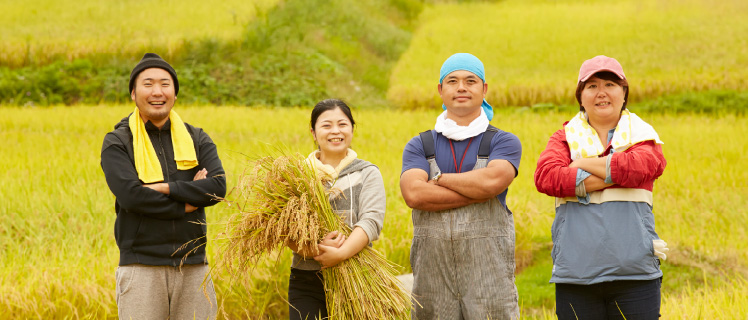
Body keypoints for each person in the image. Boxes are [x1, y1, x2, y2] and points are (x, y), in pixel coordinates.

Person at [534, 55, 668, 319]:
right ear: (580, 96)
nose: (601, 93)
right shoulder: (563, 138)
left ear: (623, 92)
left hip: (636, 275)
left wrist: (581, 163)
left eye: (610, 84)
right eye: (592, 86)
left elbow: (644, 166)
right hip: (576, 275)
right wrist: (617, 173)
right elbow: (546, 176)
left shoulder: (643, 136)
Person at [100, 53, 227, 320]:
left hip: (194, 266)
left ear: (175, 94)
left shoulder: (196, 138)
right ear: (134, 94)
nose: (157, 91)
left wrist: (165, 188)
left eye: (165, 84)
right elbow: (132, 197)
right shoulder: (118, 142)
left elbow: (216, 187)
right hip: (141, 267)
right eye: (148, 84)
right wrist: (189, 199)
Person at [400, 53, 522, 319]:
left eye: (471, 80)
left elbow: (492, 181)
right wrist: (477, 191)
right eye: (452, 81)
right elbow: (414, 193)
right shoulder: (420, 144)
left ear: (484, 89)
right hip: (432, 281)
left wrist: (441, 179)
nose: (462, 87)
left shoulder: (503, 141)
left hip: (489, 283)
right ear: (440, 90)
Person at [286, 99, 386, 320]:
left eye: (342, 124)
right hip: (306, 280)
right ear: (313, 132)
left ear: (352, 128)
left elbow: (371, 222)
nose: (335, 131)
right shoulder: (297, 176)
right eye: (326, 125)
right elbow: (284, 230)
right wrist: (316, 251)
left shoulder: (368, 173)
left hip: (358, 276)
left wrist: (340, 253)